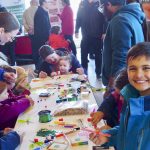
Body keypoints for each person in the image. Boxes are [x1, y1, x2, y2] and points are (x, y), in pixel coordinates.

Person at [89, 42, 150, 150]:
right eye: (133, 68)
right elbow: (129, 131)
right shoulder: (131, 98)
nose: (139, 75)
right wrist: (108, 137)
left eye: (146, 68)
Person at [101, 0, 145, 97]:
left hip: (122, 85)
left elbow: (121, 56)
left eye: (102, 7)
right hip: (129, 82)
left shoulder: (120, 20)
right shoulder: (130, 16)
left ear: (108, 4)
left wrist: (112, 88)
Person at [75, 0, 105, 79]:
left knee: (98, 55)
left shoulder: (100, 3)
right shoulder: (82, 3)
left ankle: (99, 73)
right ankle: (84, 72)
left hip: (97, 35)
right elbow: (78, 17)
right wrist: (76, 30)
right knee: (83, 55)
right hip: (85, 35)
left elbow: (105, 18)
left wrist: (104, 31)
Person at [33, 0, 51, 72]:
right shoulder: (40, 13)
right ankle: (39, 71)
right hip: (42, 39)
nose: (48, 3)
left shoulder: (43, 12)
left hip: (44, 39)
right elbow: (40, 29)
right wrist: (46, 39)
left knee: (43, 56)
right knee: (42, 56)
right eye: (47, 2)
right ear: (43, 3)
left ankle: (41, 70)